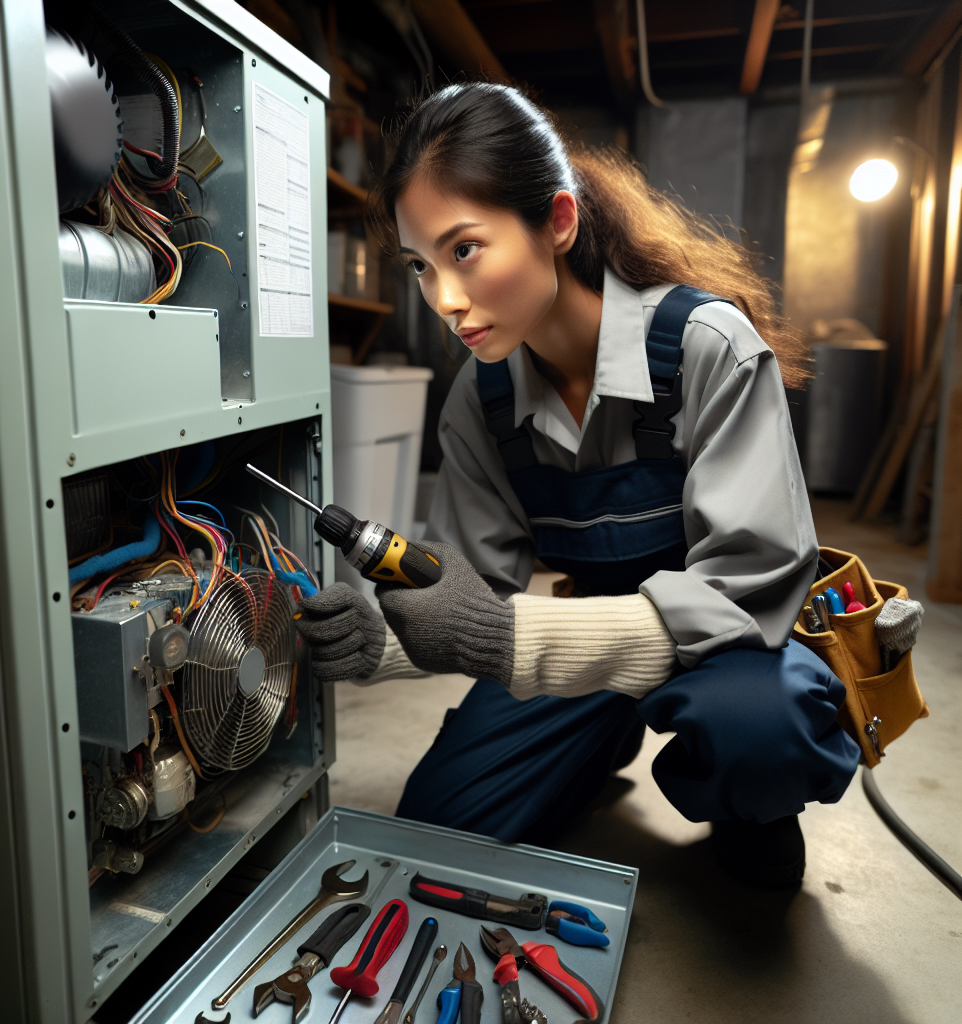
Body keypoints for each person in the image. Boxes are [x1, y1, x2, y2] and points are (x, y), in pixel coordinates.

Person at [296, 83, 860, 889]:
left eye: (465, 250)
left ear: (557, 222)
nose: (443, 300)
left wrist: (510, 640)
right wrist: (379, 642)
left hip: (728, 649)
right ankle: (604, 736)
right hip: (587, 647)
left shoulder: (707, 347)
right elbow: (475, 592)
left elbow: (748, 592)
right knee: (441, 828)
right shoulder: (479, 401)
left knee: (759, 734)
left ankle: (753, 809)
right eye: (420, 266)